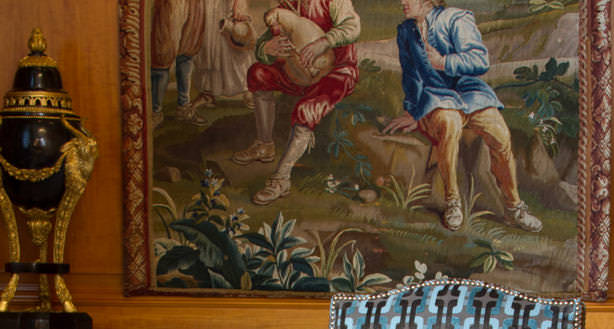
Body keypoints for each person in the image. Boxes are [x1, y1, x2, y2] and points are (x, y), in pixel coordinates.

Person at [381, 0, 542, 232]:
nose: (402, 2)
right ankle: (452, 201)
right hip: (436, 97)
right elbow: (411, 75)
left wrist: (444, 62)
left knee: (500, 135)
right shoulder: (406, 30)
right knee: (449, 123)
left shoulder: (455, 19)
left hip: (470, 93)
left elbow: (479, 61)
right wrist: (414, 111)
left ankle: (513, 207)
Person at [230, 0, 361, 205]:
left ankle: (281, 178)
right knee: (258, 73)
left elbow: (353, 26)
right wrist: (267, 48)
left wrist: (323, 42)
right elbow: (263, 47)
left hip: (336, 72)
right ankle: (265, 145)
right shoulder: (287, 4)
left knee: (306, 109)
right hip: (297, 72)